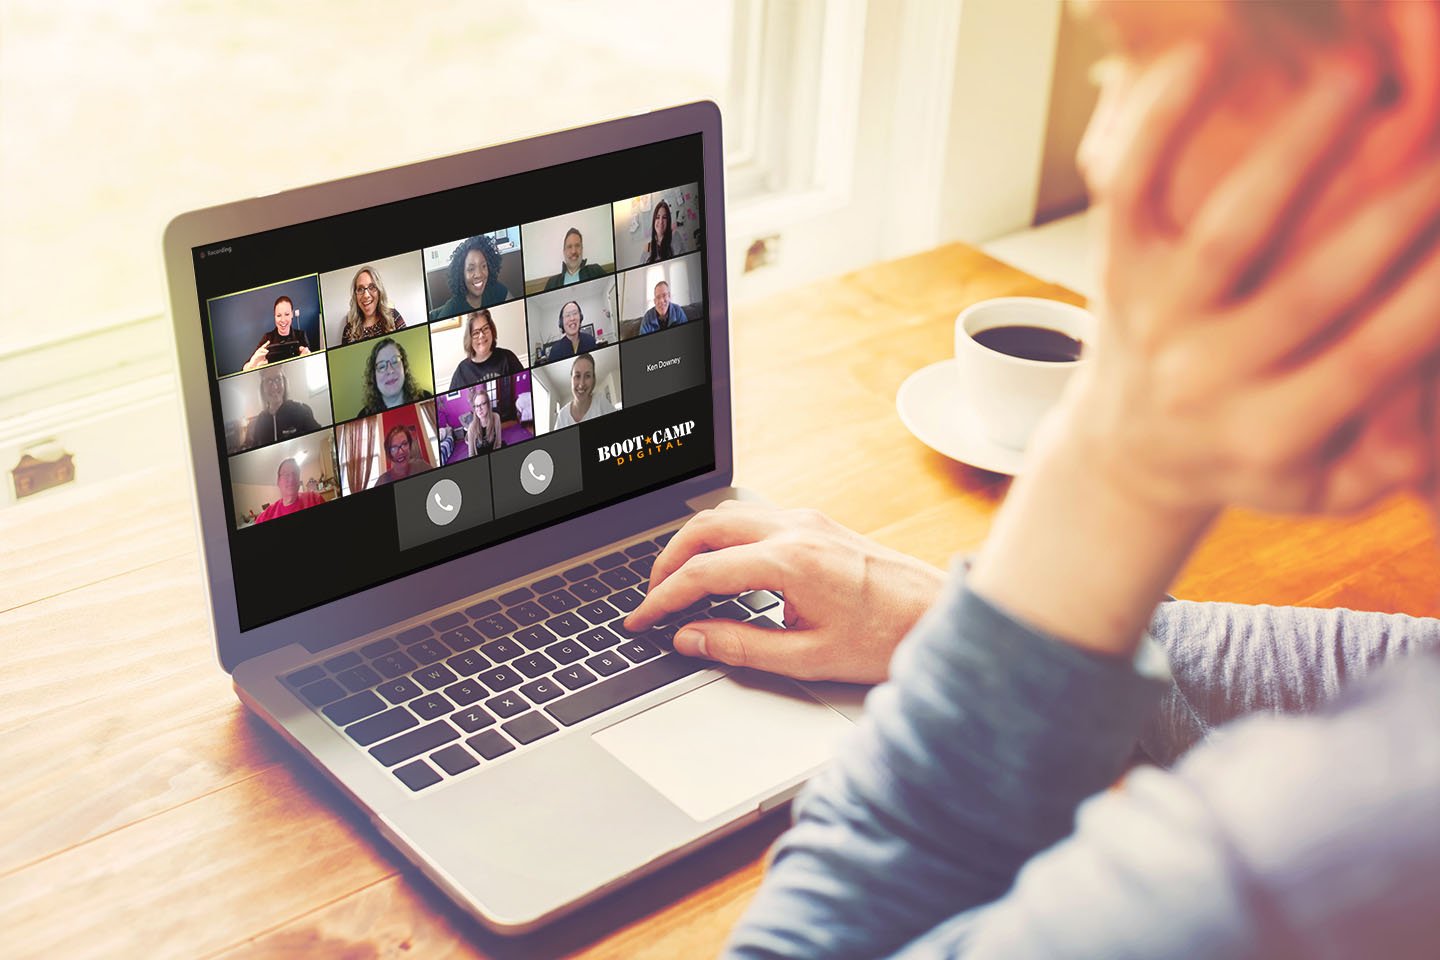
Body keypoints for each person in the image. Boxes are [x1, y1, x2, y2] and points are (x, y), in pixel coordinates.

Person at [623, 6, 1440, 957]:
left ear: (1395, 96)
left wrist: (1119, 452)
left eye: (1139, 59)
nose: (1101, 146)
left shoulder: (1306, 862)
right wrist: (972, 634)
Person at [429, 235, 510, 320]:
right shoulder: (452, 309)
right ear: (461, 274)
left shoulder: (494, 288)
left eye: (483, 266)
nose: (479, 274)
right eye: (471, 269)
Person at [243, 368, 321, 449]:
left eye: (278, 379)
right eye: (269, 381)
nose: (274, 387)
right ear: (262, 387)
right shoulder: (260, 421)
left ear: (284, 382)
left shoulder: (302, 410)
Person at [448, 309, 523, 390]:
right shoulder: (461, 372)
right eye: (476, 333)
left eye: (486, 328)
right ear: (469, 338)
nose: (482, 335)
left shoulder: (507, 358)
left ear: (492, 330)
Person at [356, 337, 432, 417]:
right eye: (381, 366)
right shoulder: (364, 416)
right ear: (374, 376)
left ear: (404, 367)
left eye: (395, 361)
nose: (390, 370)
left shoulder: (426, 399)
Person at [339, 266, 406, 344]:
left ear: (379, 291)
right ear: (355, 295)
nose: (366, 295)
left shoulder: (393, 316)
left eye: (372, 287)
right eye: (360, 289)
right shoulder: (348, 330)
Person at [242, 296, 311, 371]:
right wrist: (252, 365)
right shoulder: (267, 338)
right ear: (275, 316)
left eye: (287, 314)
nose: (283, 320)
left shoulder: (301, 335)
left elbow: (310, 367)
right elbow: (245, 368)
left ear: (292, 314)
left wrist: (308, 358)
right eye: (279, 315)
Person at [253, 458, 325, 524]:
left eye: (295, 473)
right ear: (278, 481)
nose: (291, 478)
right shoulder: (265, 517)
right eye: (286, 474)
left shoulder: (315, 499)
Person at [552, 353, 614, 428]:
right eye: (577, 376)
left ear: (593, 380)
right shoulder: (562, 416)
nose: (581, 384)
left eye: (587, 376)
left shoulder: (600, 402)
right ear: (571, 379)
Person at [543, 228, 607, 290]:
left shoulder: (596, 271)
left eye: (577, 245)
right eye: (569, 246)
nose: (573, 251)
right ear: (564, 252)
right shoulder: (551, 283)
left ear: (582, 249)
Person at [464, 385, 504, 456]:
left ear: (488, 405)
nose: (479, 409)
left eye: (482, 404)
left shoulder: (496, 417)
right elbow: (471, 454)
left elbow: (498, 443)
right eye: (476, 405)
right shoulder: (471, 428)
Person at [643, 199, 682, 264]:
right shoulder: (647, 247)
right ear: (654, 221)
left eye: (664, 217)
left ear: (668, 221)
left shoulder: (675, 237)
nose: (661, 222)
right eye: (658, 217)